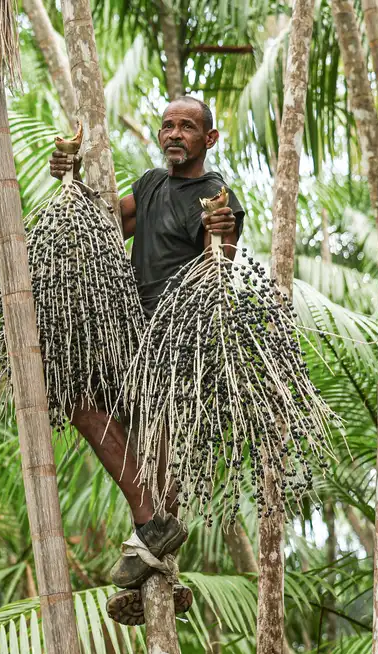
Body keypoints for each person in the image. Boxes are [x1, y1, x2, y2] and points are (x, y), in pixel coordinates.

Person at [49, 96, 245, 624]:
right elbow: (101, 221)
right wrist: (67, 179)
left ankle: (153, 560)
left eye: (187, 127)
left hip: (180, 343)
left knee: (159, 452)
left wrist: (221, 233)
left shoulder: (215, 195)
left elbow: (219, 257)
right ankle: (155, 535)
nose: (174, 134)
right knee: (79, 400)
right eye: (168, 126)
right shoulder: (151, 185)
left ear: (210, 138)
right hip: (132, 337)